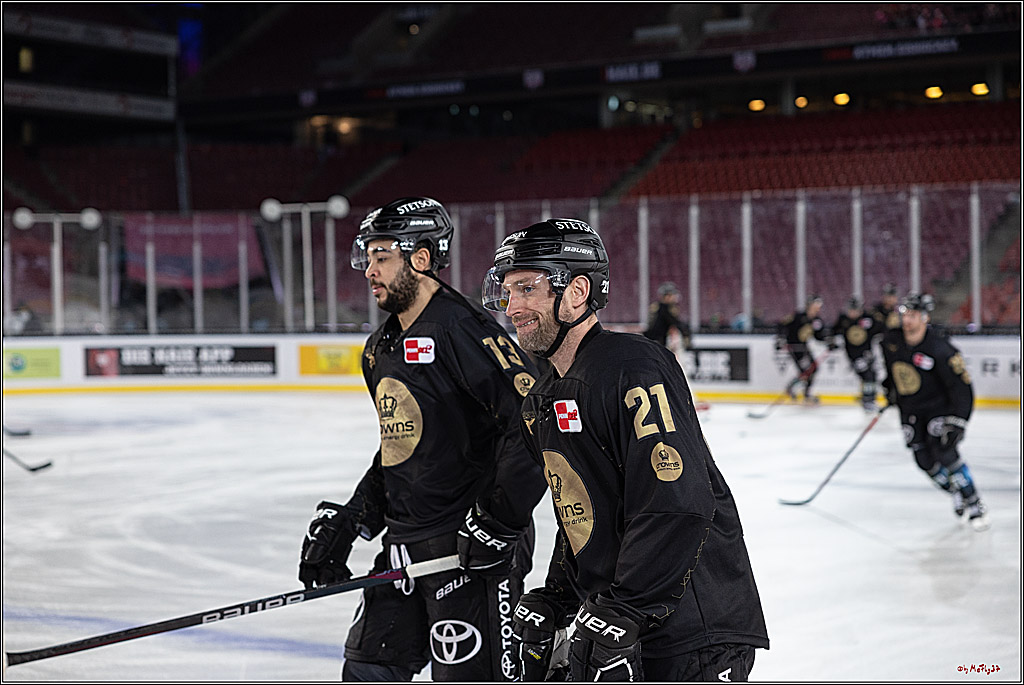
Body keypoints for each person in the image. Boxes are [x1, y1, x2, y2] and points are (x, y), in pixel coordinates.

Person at [479, 218, 769, 682]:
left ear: (576, 291)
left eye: (526, 289)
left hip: (691, 634)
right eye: (507, 291)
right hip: (623, 625)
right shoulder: (541, 400)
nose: (512, 306)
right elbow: (583, 517)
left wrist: (627, 608)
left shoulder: (633, 366)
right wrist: (557, 599)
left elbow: (677, 503)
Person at [298, 197, 547, 681]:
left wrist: (499, 521)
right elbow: (402, 444)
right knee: (368, 669)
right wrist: (351, 521)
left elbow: (533, 421)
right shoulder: (380, 348)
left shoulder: (463, 331)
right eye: (367, 257)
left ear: (422, 258)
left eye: (382, 256)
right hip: (404, 546)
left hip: (469, 550)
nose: (369, 270)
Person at [881, 293, 989, 531]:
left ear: (924, 317)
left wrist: (959, 420)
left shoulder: (941, 348)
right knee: (923, 461)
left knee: (946, 454)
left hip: (938, 410)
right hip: (910, 411)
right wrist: (890, 389)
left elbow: (962, 386)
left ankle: (973, 501)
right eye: (904, 315)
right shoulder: (892, 342)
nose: (907, 321)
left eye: (912, 316)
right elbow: (895, 372)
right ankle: (956, 492)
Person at [775, 294, 834, 404]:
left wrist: (828, 341)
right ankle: (796, 389)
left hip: (804, 347)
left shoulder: (816, 320)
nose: (818, 308)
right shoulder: (798, 316)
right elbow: (782, 325)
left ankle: (803, 391)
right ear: (809, 305)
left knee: (813, 369)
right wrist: (781, 338)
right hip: (795, 347)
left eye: (819, 306)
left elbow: (818, 336)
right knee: (806, 371)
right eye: (816, 305)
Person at [831, 296, 885, 411]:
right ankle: (868, 400)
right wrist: (831, 341)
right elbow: (833, 331)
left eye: (855, 310)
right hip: (854, 356)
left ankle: (869, 398)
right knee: (867, 376)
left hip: (868, 354)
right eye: (851, 310)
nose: (853, 313)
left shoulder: (867, 319)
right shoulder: (844, 320)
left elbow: (882, 328)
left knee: (871, 376)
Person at [643, 281, 691, 351]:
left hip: (652, 342)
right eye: (672, 295)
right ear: (667, 296)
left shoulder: (656, 306)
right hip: (657, 343)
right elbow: (675, 323)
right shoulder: (665, 308)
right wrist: (686, 334)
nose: (675, 298)